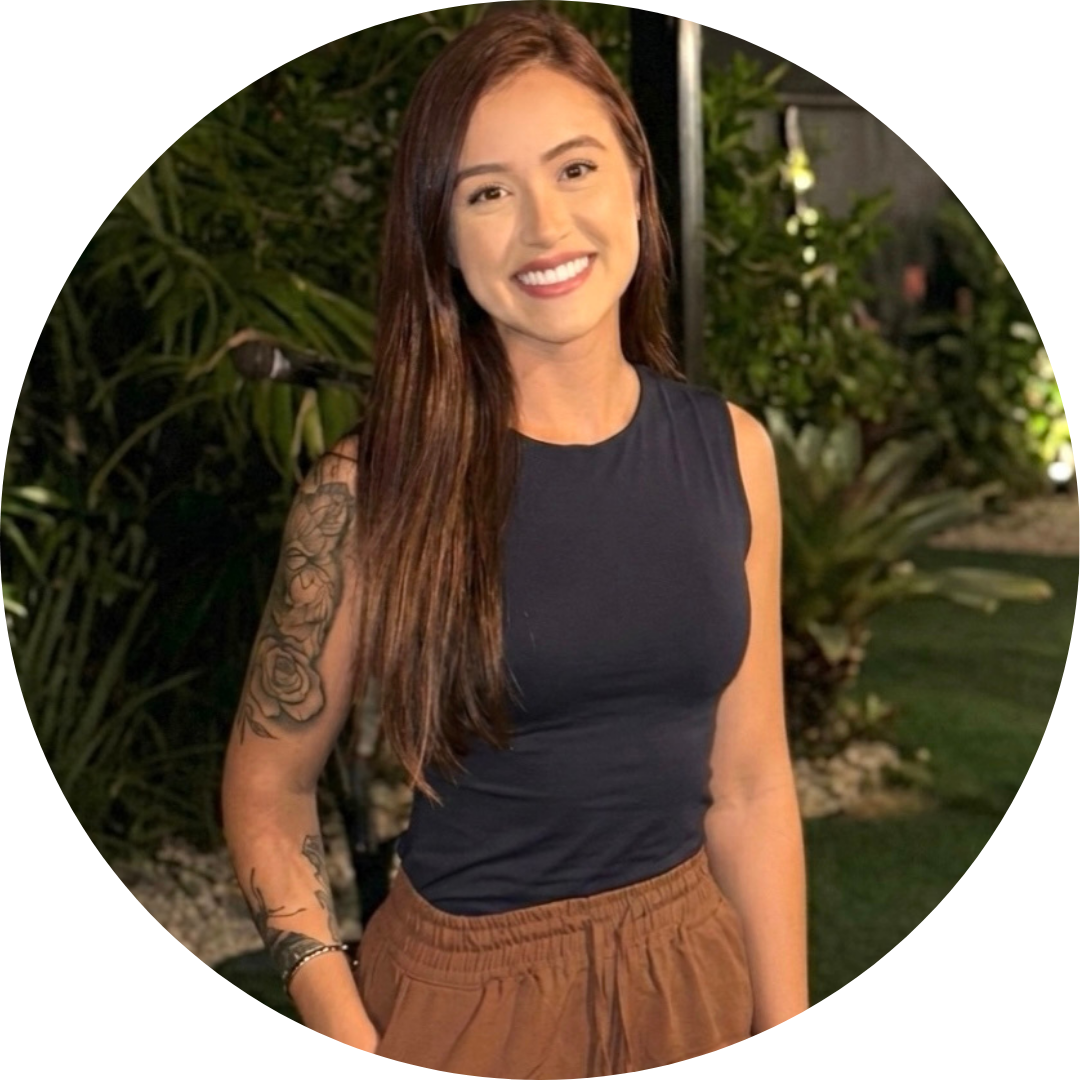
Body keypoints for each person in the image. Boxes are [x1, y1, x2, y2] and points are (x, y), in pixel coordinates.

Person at [221, 7, 808, 1074]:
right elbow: (267, 785)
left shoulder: (732, 450)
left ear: (636, 183)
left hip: (694, 972)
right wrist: (340, 1014)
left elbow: (753, 783)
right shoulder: (369, 487)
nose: (545, 225)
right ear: (441, 239)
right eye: (487, 192)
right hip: (465, 1005)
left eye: (575, 168)